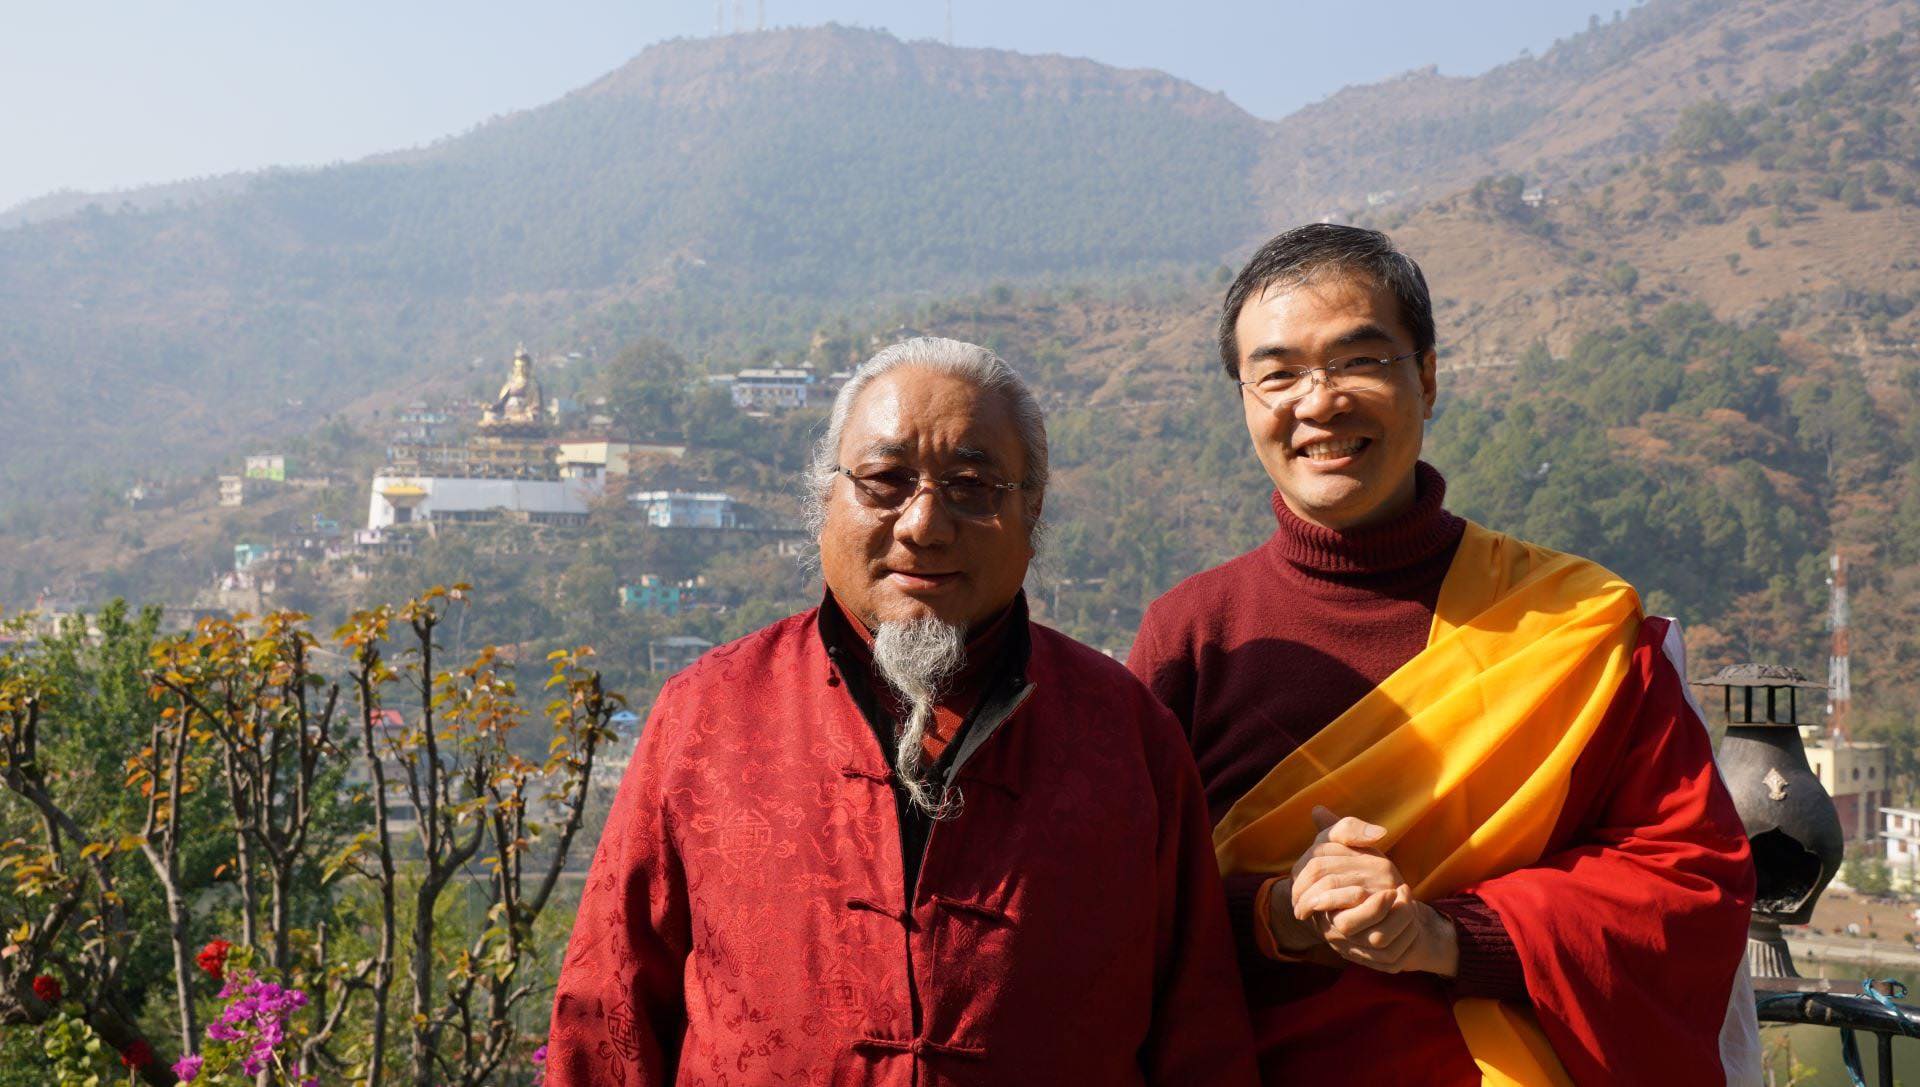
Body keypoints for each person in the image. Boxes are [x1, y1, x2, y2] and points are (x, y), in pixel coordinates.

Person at [1127, 225, 1759, 1085]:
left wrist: (1447, 935)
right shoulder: (1193, 636)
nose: (1319, 401)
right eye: (1278, 374)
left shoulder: (1573, 622)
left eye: (1358, 361)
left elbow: (1688, 884)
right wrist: (1280, 914)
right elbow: (1121, 904)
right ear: (1244, 399)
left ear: (1426, 377)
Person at [547, 337, 1257, 1085]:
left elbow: (1199, 1036)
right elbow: (607, 1017)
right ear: (825, 500)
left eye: (972, 485)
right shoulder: (706, 715)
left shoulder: (1126, 736)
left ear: (1032, 511)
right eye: (886, 480)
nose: (924, 524)